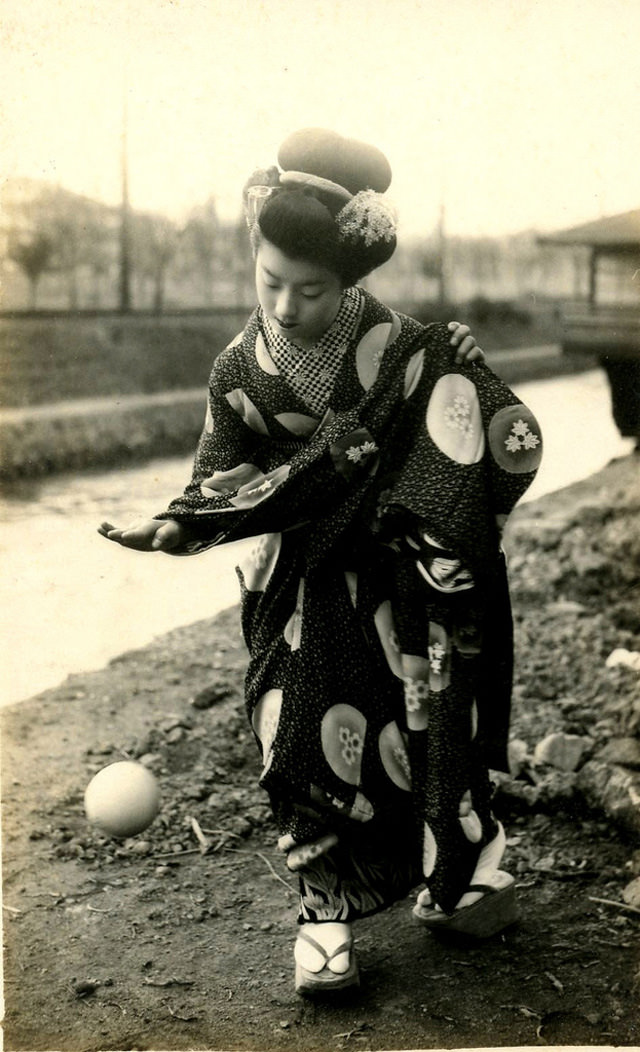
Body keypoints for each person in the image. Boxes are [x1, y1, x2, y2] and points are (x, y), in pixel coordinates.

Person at [99, 128, 542, 996]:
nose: (287, 306)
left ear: (353, 283)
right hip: (295, 584)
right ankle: (324, 914)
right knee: (295, 733)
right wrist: (179, 524)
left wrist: (463, 385)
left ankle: (457, 871)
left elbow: (486, 434)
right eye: (270, 282)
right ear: (252, 254)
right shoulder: (237, 370)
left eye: (313, 289)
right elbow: (209, 484)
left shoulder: (412, 348)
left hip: (398, 580)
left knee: (424, 727)